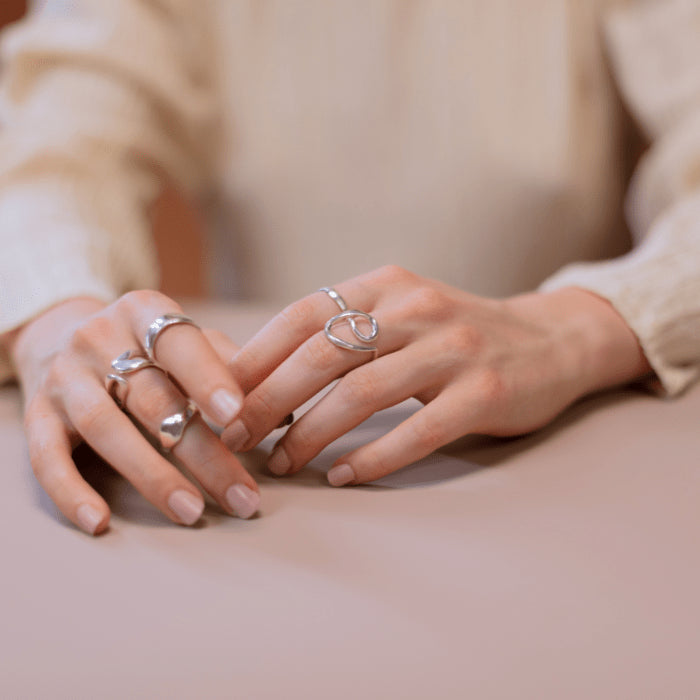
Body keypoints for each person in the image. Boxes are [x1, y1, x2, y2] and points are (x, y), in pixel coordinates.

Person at [0, 0, 698, 536]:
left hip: (573, 471)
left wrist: (578, 327)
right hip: (268, 484)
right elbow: (50, 144)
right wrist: (58, 313)